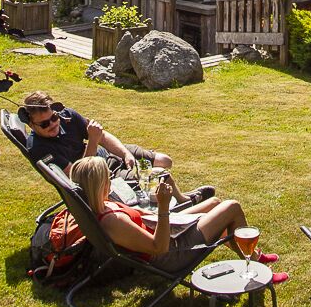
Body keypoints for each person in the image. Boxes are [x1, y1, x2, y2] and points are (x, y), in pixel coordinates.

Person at [67, 156, 283, 281]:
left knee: (214, 203)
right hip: (172, 253)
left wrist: (167, 216)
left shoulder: (101, 206)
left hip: (164, 231)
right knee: (232, 207)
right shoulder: (113, 221)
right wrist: (163, 207)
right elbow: (159, 247)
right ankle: (256, 268)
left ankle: (252, 254)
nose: (111, 180)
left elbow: (142, 220)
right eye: (108, 177)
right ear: (100, 184)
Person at [19, 90, 174, 178]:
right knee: (159, 175)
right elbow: (79, 177)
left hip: (107, 155)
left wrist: (125, 154)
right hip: (99, 175)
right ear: (31, 125)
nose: (52, 124)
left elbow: (103, 136)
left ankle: (181, 200)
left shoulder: (67, 116)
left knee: (165, 161)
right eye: (44, 124)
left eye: (53, 117)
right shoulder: (39, 149)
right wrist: (93, 141)